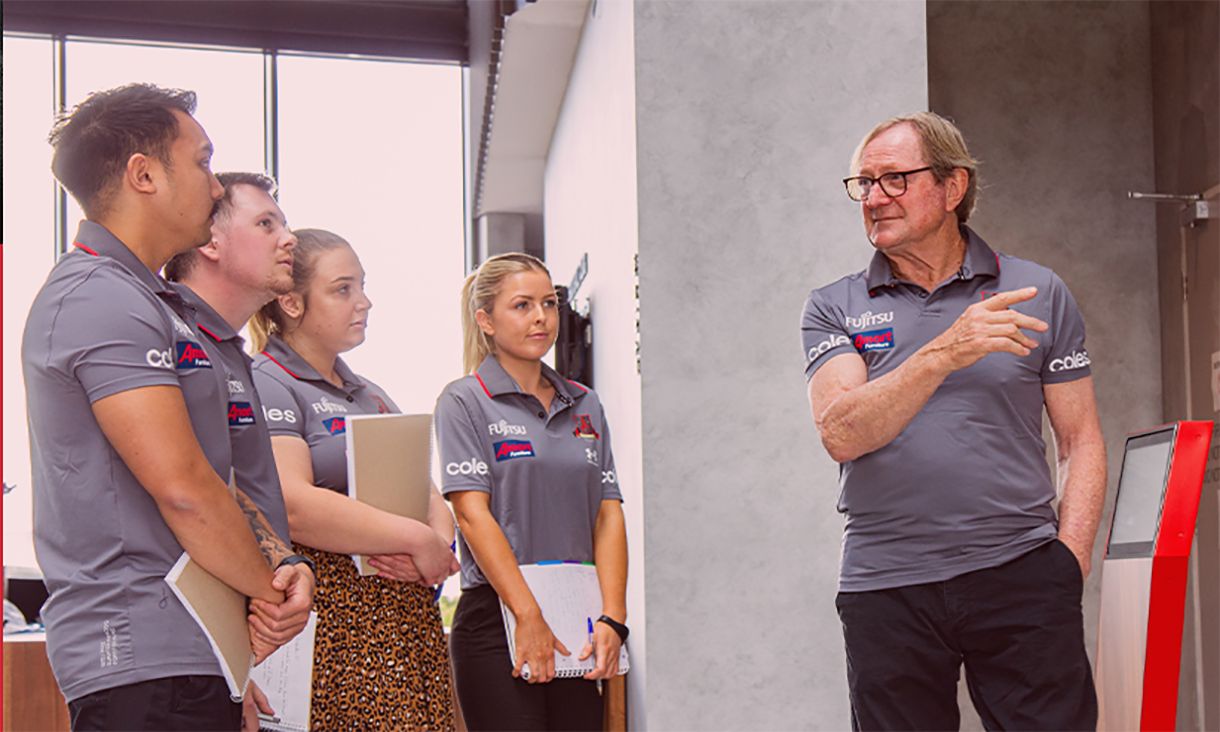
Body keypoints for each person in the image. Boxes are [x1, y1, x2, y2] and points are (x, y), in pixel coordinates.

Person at [801, 111, 1107, 731]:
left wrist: (1066, 562)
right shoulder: (835, 307)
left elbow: (1080, 440)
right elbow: (841, 432)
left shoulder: (1036, 291)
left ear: (952, 187)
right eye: (863, 183)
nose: (873, 198)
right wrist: (947, 349)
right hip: (887, 586)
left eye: (894, 179)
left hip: (1021, 572)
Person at [22, 83, 313, 732]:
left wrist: (280, 570)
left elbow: (218, 484)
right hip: (140, 661)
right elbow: (183, 489)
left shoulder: (153, 305)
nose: (215, 187)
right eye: (204, 162)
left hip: (197, 650)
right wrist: (274, 599)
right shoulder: (97, 297)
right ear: (144, 174)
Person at [249, 228, 460, 731]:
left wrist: (434, 549)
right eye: (343, 289)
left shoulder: (371, 393)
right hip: (334, 628)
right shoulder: (267, 379)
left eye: (362, 286)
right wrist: (416, 539)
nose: (363, 301)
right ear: (291, 302)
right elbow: (292, 504)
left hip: (406, 622)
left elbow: (428, 494)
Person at [435, 252, 628, 732]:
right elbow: (472, 515)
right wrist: (528, 616)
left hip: (577, 615)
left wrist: (613, 619)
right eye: (522, 305)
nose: (541, 317)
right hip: (498, 615)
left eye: (548, 303)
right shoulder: (463, 401)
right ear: (486, 321)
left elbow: (607, 515)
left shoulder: (586, 403)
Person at [162, 171, 309, 731]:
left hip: (238, 646)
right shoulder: (171, 337)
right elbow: (190, 496)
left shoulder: (232, 353)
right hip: (185, 652)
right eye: (266, 223)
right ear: (210, 242)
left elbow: (242, 496)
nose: (289, 237)